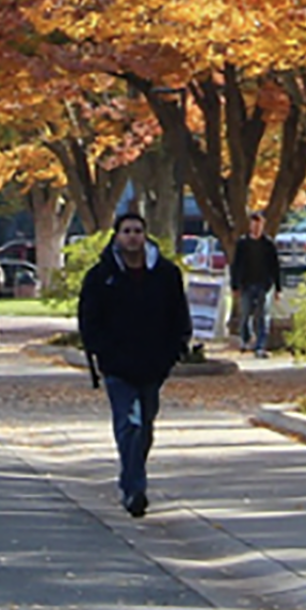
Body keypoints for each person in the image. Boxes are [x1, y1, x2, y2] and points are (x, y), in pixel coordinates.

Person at [78, 211, 192, 519]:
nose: (132, 236)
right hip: (117, 366)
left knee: (146, 427)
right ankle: (134, 489)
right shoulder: (101, 276)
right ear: (116, 236)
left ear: (145, 235)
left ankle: (130, 476)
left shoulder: (166, 274)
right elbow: (89, 320)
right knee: (130, 424)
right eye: (126, 231)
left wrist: (175, 349)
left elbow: (179, 315)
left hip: (153, 364)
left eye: (138, 231)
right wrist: (101, 352)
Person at [230, 212, 282, 358]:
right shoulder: (242, 244)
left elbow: (275, 266)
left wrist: (278, 287)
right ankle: (246, 339)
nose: (256, 228)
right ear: (250, 225)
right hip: (246, 284)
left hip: (264, 285)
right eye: (254, 225)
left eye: (259, 225)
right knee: (246, 313)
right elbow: (236, 265)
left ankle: (260, 346)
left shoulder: (268, 244)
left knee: (263, 315)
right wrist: (234, 285)